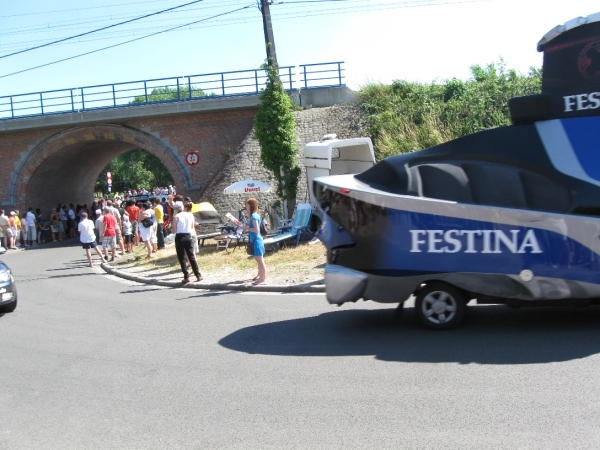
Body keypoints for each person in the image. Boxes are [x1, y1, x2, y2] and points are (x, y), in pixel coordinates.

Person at [172, 201, 202, 283]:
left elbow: (174, 231)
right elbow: (192, 227)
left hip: (180, 236)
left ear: (176, 209)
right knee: (191, 255)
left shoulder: (176, 216)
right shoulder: (190, 215)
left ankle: (186, 276)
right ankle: (198, 274)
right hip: (188, 235)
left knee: (181, 257)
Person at [241, 198, 267, 285]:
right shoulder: (255, 215)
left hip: (257, 240)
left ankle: (262, 279)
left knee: (260, 260)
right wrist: (247, 230)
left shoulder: (254, 216)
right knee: (258, 259)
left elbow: (256, 229)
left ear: (251, 206)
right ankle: (260, 276)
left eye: (247, 205)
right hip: (256, 239)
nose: (245, 207)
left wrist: (246, 228)